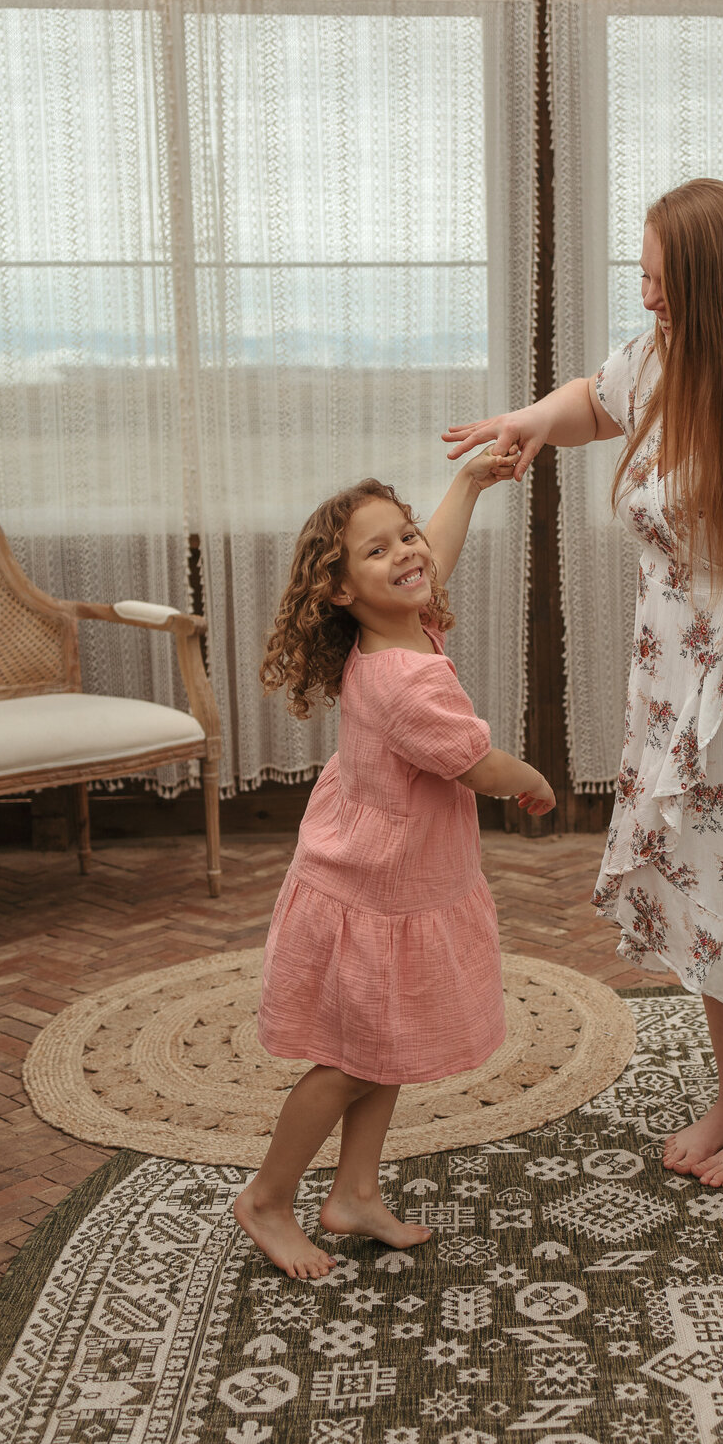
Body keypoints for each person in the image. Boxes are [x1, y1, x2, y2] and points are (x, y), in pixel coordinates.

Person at [445, 177, 723, 1191]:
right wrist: (528, 420)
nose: (648, 302)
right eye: (644, 282)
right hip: (681, 688)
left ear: (717, 284)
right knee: (711, 881)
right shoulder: (664, 361)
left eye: (663, 283)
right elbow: (592, 400)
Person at [234, 449, 555, 1278]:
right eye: (377, 552)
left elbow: (434, 556)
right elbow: (479, 767)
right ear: (340, 590)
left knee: (387, 1046)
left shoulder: (400, 627)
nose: (409, 553)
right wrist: (533, 782)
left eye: (404, 535)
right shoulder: (410, 683)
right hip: (372, 892)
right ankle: (268, 1198)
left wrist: (470, 484)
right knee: (347, 1061)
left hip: (395, 878)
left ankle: (354, 1194)